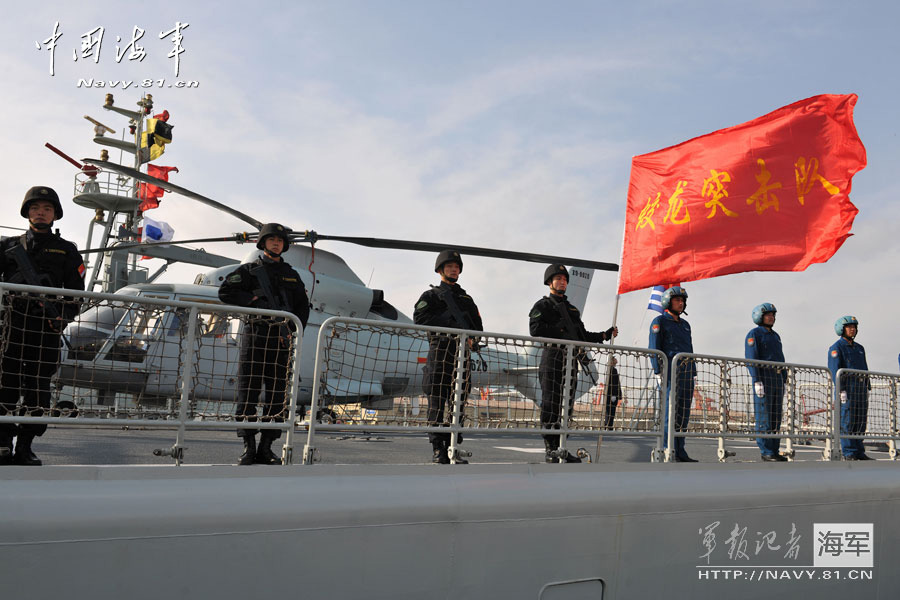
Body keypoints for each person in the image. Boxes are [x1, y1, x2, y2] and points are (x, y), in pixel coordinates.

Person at [0, 186, 85, 466]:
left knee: (38, 388)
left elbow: (76, 293)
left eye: (47, 209)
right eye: (36, 208)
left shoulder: (67, 251)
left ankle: (25, 445)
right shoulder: (8, 246)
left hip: (45, 328)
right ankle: (2, 442)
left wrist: (61, 315)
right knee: (5, 383)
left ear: (55, 215)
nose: (41, 212)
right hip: (10, 325)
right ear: (27, 212)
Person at [219, 223, 309, 465]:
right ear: (263, 243)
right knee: (248, 392)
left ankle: (267, 447)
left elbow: (302, 307)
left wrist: (291, 329)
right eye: (272, 239)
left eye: (280, 240)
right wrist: (253, 300)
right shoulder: (249, 270)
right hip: (256, 336)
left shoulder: (292, 274)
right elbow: (225, 292)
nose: (276, 243)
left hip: (281, 340)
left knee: (277, 395)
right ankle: (248, 446)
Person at [529, 264, 616, 463]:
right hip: (553, 358)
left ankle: (561, 446)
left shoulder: (572, 309)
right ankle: (551, 449)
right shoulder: (543, 306)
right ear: (549, 282)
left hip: (571, 362)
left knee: (566, 405)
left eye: (565, 280)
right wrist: (559, 331)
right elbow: (535, 329)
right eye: (558, 279)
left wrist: (604, 335)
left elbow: (582, 335)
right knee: (551, 404)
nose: (562, 282)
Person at [413, 250, 483, 464]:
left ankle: (452, 444)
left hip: (461, 355)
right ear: (441, 270)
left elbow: (478, 327)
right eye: (450, 266)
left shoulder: (466, 299)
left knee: (459, 402)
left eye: (456, 266)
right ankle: (437, 448)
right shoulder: (431, 296)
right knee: (436, 403)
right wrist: (452, 324)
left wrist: (472, 339)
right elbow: (420, 318)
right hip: (440, 352)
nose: (454, 269)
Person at [648, 286, 697, 462]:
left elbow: (689, 349)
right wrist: (657, 371)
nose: (681, 303)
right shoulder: (659, 321)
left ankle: (680, 449)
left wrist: (693, 372)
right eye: (677, 300)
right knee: (671, 411)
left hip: (687, 373)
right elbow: (654, 348)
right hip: (670, 372)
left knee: (683, 413)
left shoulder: (685, 325)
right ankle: (668, 448)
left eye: (682, 300)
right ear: (668, 302)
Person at [744, 303, 787, 462]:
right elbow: (752, 358)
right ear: (760, 316)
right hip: (764, 378)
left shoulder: (775, 336)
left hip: (776, 379)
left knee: (776, 416)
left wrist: (784, 377)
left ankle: (774, 449)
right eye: (768, 315)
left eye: (773, 315)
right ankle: (766, 451)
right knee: (764, 416)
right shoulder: (754, 334)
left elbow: (780, 358)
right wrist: (757, 380)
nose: (771, 317)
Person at [828, 316, 871, 461]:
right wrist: (841, 390)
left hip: (860, 388)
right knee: (847, 420)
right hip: (847, 390)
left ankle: (859, 450)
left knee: (860, 421)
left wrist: (867, 386)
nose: (852, 329)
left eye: (854, 327)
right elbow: (835, 370)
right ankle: (849, 452)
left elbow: (865, 368)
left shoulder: (859, 348)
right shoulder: (836, 348)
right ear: (842, 329)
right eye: (849, 327)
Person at [603, 358, 622, 430]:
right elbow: (613, 383)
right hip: (611, 394)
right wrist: (613, 395)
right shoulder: (612, 370)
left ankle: (607, 426)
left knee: (609, 411)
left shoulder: (611, 370)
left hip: (611, 394)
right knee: (610, 412)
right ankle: (608, 426)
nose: (616, 360)